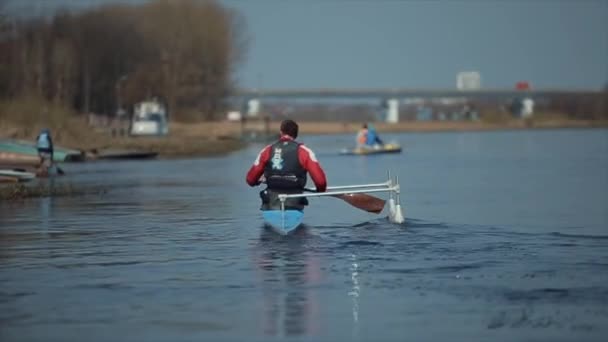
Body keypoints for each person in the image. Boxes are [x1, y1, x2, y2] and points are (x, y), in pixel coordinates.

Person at [246, 119, 327, 211]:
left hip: (272, 197)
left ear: (281, 132)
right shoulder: (305, 151)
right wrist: (321, 190)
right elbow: (320, 182)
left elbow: (250, 180)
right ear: (296, 134)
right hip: (295, 197)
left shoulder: (267, 150)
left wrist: (256, 181)